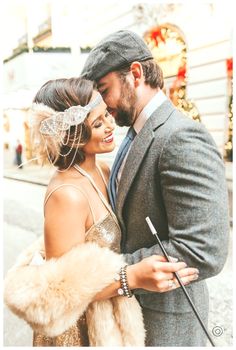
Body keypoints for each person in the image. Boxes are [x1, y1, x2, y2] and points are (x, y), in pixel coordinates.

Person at [4, 77, 199, 347]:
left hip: (110, 320)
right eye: (97, 124)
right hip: (78, 332)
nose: (110, 126)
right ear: (71, 136)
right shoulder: (67, 195)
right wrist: (131, 276)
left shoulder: (103, 169)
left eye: (106, 114)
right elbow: (58, 290)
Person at [81, 30, 230, 346]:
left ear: (135, 74)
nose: (104, 105)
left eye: (105, 90)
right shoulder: (133, 133)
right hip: (130, 320)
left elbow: (204, 249)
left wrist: (111, 274)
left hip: (167, 325)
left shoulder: (180, 137)